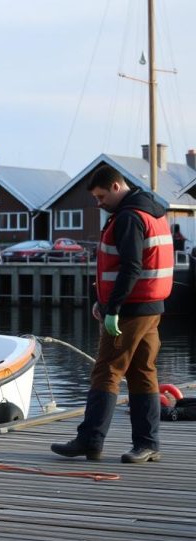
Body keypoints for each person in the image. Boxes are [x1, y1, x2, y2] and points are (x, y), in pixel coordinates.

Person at [51, 166, 173, 464]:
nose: (98, 203)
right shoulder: (152, 212)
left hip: (131, 309)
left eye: (101, 196)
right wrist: (102, 301)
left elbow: (131, 267)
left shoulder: (129, 218)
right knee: (143, 372)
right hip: (151, 307)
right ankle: (148, 445)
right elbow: (123, 266)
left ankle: (90, 440)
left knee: (106, 371)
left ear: (117, 186)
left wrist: (112, 309)